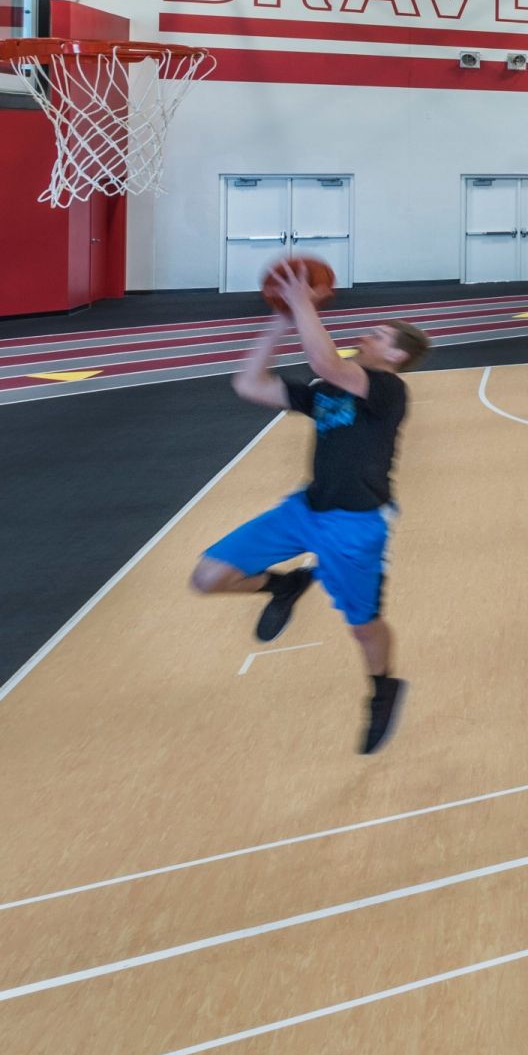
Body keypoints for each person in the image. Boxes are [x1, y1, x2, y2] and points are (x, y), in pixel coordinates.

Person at [193, 265, 429, 756]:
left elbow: (325, 360)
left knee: (363, 627)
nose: (366, 336)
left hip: (355, 526)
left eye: (379, 336)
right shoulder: (327, 390)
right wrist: (280, 320)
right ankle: (284, 585)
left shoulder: (388, 390)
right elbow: (249, 384)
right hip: (305, 509)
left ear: (396, 355)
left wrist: (301, 301)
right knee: (208, 578)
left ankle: (383, 688)